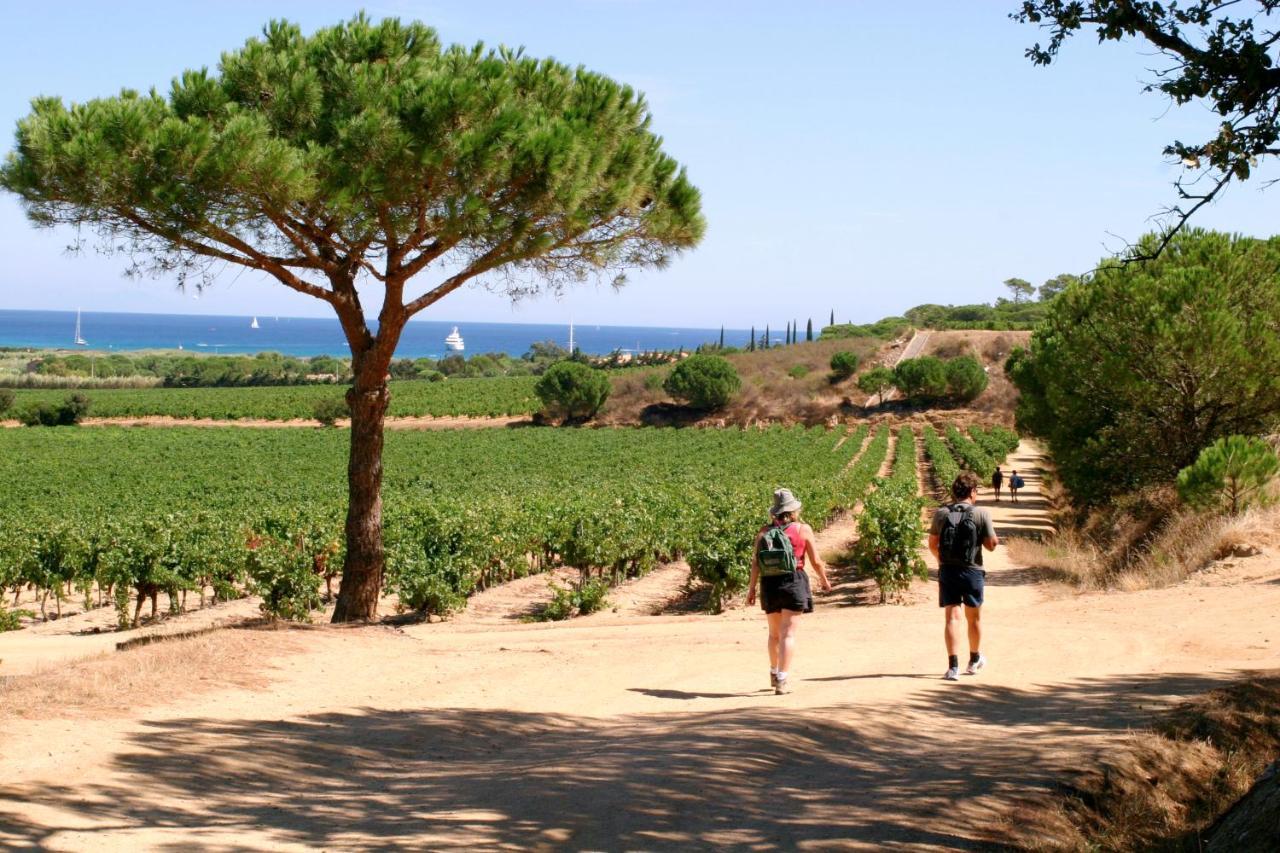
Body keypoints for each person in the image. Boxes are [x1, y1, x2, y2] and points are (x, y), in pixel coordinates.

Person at [746, 488, 833, 695]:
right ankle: (783, 680)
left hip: (769, 584)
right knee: (788, 634)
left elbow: (756, 564)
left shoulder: (764, 532)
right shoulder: (803, 529)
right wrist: (824, 580)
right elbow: (816, 561)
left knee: (774, 634)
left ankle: (774, 672)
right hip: (793, 581)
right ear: (794, 510)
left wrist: (751, 590)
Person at [928, 471, 999, 681]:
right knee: (973, 618)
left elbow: (932, 544)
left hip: (948, 570)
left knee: (952, 617)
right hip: (972, 570)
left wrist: (942, 561)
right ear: (973, 491)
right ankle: (974, 659)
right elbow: (992, 545)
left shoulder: (941, 513)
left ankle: (952, 667)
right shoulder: (981, 514)